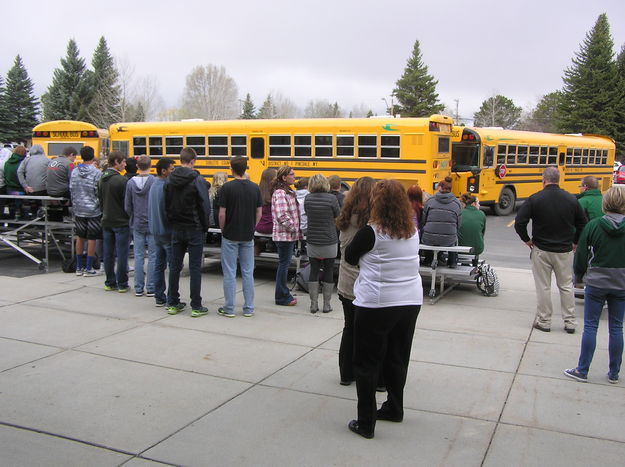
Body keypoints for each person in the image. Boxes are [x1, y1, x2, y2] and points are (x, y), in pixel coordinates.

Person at [345, 179, 422, 439]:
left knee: (366, 362)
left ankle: (366, 422)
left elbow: (349, 257)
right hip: (410, 301)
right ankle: (394, 407)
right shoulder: (411, 230)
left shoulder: (371, 232)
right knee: (397, 357)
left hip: (377, 303)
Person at [515, 166, 587, 333]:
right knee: (566, 286)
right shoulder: (571, 199)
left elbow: (519, 222)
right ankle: (570, 322)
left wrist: (527, 240)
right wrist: (575, 241)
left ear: (543, 179)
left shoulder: (535, 199)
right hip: (564, 250)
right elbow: (582, 223)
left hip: (541, 249)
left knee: (543, 286)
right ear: (559, 179)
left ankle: (544, 320)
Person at [565, 185, 625, 384]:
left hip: (596, 282)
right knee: (616, 327)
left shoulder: (594, 226)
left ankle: (582, 370)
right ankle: (614, 373)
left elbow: (581, 255)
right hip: (621, 283)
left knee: (591, 326)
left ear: (606, 203)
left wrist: (579, 277)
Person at [336, 176, 376, 385]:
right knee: (369, 332)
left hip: (345, 279)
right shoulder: (371, 224)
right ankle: (368, 373)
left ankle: (346, 373)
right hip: (365, 281)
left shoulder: (345, 216)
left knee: (349, 327)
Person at [164, 147, 211, 317]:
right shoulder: (197, 179)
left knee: (175, 266)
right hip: (194, 227)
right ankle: (196, 305)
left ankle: (173, 301)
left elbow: (166, 203)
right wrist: (204, 226)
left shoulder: (169, 179)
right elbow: (205, 206)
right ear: (193, 161)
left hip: (176, 227)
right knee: (195, 267)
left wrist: (171, 221)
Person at [217, 156, 262, 318]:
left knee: (229, 272)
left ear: (231, 169)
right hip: (247, 234)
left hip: (230, 234)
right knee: (248, 271)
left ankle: (229, 308)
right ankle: (248, 307)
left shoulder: (226, 188)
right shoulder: (254, 188)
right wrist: (252, 227)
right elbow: (259, 212)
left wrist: (223, 230)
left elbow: (222, 214)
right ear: (246, 168)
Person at [304, 174, 340, 313]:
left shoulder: (308, 199)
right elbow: (338, 216)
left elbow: (308, 214)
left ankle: (313, 304)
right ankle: (327, 305)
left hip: (313, 239)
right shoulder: (332, 198)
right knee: (329, 270)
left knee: (314, 270)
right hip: (329, 240)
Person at [125, 155, 156, 297]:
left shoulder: (130, 183)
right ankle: (151, 286)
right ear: (150, 166)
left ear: (137, 166)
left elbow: (127, 205)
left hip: (137, 222)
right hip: (152, 222)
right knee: (153, 256)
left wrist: (133, 215)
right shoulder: (154, 182)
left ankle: (138, 287)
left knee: (138, 256)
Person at [99, 152, 130, 292]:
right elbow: (127, 203)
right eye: (123, 162)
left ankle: (110, 281)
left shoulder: (101, 179)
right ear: (116, 162)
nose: (125, 164)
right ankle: (122, 283)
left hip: (106, 220)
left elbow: (99, 199)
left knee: (108, 253)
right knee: (122, 253)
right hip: (121, 221)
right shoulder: (121, 181)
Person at [70, 146, 103, 276]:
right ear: (92, 155)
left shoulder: (75, 171)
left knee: (80, 236)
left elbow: (71, 188)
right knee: (92, 238)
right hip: (93, 209)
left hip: (78, 208)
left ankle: (79, 266)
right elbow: (98, 191)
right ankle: (89, 267)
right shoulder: (96, 172)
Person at [271, 165, 302, 306]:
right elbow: (282, 215)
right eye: (292, 174)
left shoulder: (287, 191)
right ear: (284, 177)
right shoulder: (280, 193)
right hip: (284, 235)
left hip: (288, 235)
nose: (294, 176)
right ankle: (282, 296)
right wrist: (295, 228)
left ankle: (283, 294)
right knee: (284, 265)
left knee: (284, 264)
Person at [148, 158, 175, 307]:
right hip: (167, 231)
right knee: (173, 265)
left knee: (159, 264)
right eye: (171, 169)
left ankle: (159, 296)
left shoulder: (153, 185)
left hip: (155, 230)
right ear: (163, 171)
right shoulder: (166, 187)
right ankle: (171, 298)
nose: (174, 171)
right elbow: (168, 211)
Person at [421, 176, 462, 267]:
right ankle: (452, 262)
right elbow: (458, 224)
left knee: (427, 233)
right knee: (454, 236)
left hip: (429, 238)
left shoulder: (430, 201)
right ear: (451, 189)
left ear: (440, 188)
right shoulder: (456, 203)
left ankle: (428, 259)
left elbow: (424, 221)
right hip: (449, 240)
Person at [17, 144, 48, 217]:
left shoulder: (26, 160)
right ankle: (43, 219)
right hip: (43, 189)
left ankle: (34, 218)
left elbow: (19, 172)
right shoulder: (47, 160)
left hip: (30, 189)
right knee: (43, 206)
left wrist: (25, 186)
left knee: (33, 204)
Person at [458, 192, 486, 266]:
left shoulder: (460, 213)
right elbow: (482, 232)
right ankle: (475, 264)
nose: (479, 205)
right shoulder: (481, 214)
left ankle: (464, 264)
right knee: (476, 240)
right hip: (478, 248)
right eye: (478, 203)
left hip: (460, 247)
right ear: (473, 204)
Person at [254, 167, 277, 255]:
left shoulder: (257, 192)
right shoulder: (277, 193)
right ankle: (273, 246)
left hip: (258, 226)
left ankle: (260, 244)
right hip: (272, 227)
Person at [3, 145, 27, 219]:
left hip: (9, 189)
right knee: (22, 208)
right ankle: (21, 225)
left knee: (12, 208)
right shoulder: (23, 163)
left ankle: (12, 225)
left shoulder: (7, 163)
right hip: (21, 190)